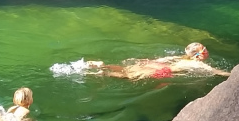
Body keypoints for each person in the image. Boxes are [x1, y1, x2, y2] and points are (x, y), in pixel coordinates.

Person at [84, 43, 230, 80]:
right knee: (128, 76)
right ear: (198, 55)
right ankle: (102, 73)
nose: (206, 51)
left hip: (157, 64)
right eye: (204, 50)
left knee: (125, 69)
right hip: (162, 70)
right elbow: (215, 71)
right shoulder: (196, 63)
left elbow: (163, 59)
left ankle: (104, 66)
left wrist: (148, 61)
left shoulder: (182, 57)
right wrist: (230, 74)